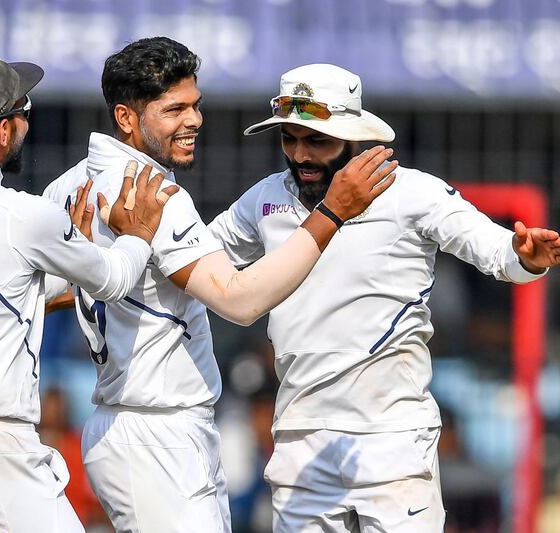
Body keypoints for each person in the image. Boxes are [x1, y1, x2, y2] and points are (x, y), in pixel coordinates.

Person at [43, 38, 396, 532]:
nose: (194, 121)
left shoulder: (67, 187)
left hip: (128, 427)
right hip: (157, 433)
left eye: (196, 105)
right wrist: (332, 211)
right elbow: (239, 301)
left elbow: (43, 297)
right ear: (126, 118)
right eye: (174, 109)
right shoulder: (154, 194)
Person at [207, 63, 560, 533]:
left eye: (316, 140)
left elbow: (494, 249)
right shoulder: (264, 199)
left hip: (394, 440)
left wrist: (527, 256)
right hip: (300, 438)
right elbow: (193, 255)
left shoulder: (412, 193)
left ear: (353, 138)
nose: (300, 154)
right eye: (289, 139)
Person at [0, 51, 176, 533]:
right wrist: (137, 233)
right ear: (2, 130)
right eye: (24, 111)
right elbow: (118, 279)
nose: (25, 123)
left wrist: (67, 269)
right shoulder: (20, 214)